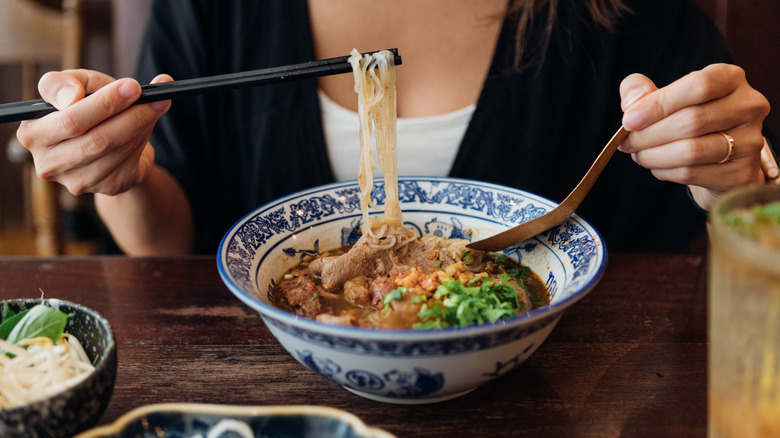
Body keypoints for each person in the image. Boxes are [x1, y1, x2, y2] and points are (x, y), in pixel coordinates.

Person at [15, 0, 772, 256]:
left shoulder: (630, 15)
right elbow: (165, 244)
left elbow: (740, 244)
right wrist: (118, 167)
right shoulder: (215, 7)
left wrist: (736, 185)